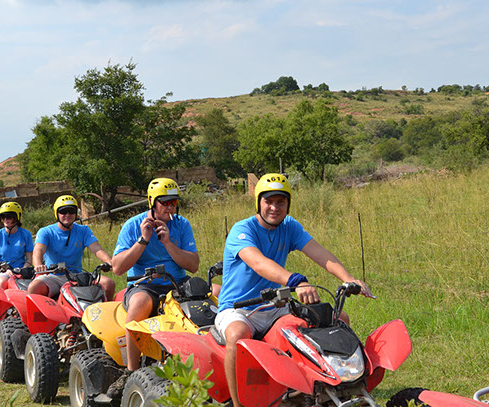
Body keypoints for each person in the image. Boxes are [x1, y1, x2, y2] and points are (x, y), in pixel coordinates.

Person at [216, 173, 373, 407]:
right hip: (239, 308)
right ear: (258, 202)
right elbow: (259, 263)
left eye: (281, 202)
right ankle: (238, 403)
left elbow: (319, 253)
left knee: (336, 320)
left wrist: (348, 279)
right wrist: (296, 281)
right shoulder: (243, 229)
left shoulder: (289, 226)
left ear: (288, 204)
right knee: (237, 334)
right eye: (269, 201)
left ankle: (333, 389)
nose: (274, 207)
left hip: (275, 306)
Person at [108, 177, 200, 396]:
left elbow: (193, 265)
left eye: (173, 202)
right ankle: (131, 370)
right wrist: (143, 239)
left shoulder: (182, 224)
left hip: (176, 283)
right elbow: (117, 268)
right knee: (139, 304)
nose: (170, 207)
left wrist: (168, 243)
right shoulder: (133, 225)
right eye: (164, 202)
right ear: (152, 202)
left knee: (213, 294)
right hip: (143, 284)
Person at [28, 195, 115, 300]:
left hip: (77, 276)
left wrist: (109, 262)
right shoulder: (46, 231)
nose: (67, 215)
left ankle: (103, 310)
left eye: (71, 211)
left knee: (108, 284)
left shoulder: (84, 230)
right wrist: (38, 265)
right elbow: (38, 250)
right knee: (34, 287)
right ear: (56, 213)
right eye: (63, 212)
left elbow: (97, 249)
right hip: (53, 276)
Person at [0, 201, 34, 288]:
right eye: (3, 217)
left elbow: (29, 259)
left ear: (17, 217)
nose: (5, 220)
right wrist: (3, 268)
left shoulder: (26, 234)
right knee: (3, 282)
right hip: (1, 271)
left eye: (9, 217)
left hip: (19, 271)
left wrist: (23, 269)